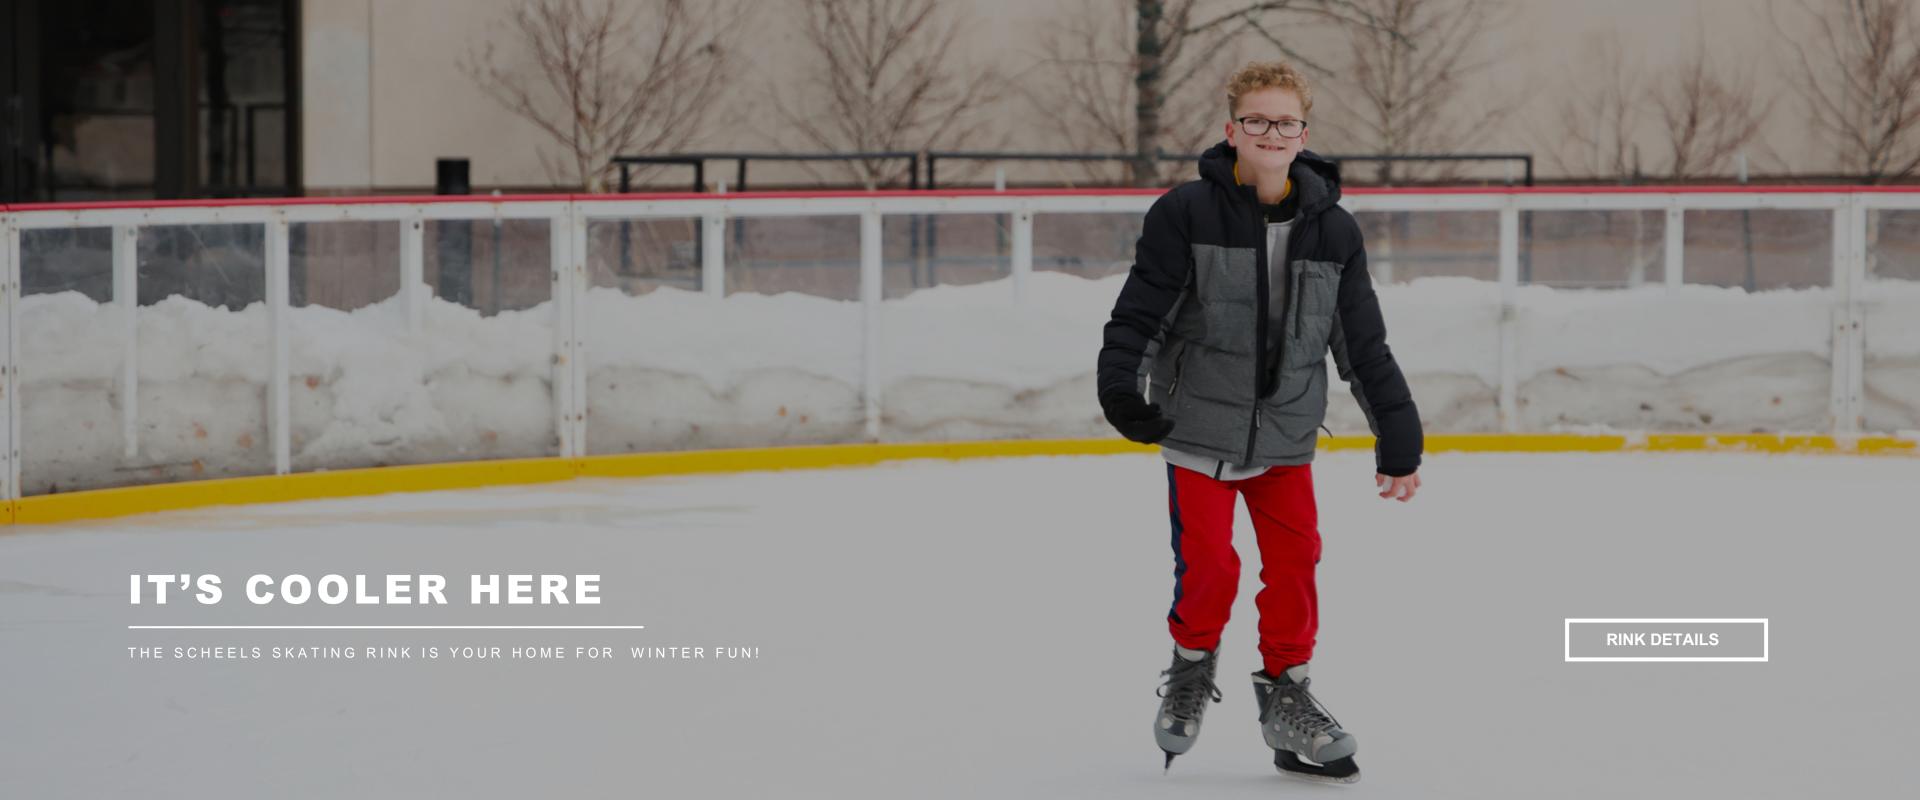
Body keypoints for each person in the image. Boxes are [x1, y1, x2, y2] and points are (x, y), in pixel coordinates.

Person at [1096, 60, 1424, 784]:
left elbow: (1361, 342)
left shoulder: (1333, 230)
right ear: (1232, 130)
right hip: (1197, 430)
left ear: (1303, 134)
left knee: (1297, 565)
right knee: (1212, 566)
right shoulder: (1185, 213)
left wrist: (1397, 433)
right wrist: (1120, 387)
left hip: (1285, 437)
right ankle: (1191, 666)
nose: (1271, 133)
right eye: (1256, 120)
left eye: (1285, 122)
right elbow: (1141, 313)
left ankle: (1287, 696)